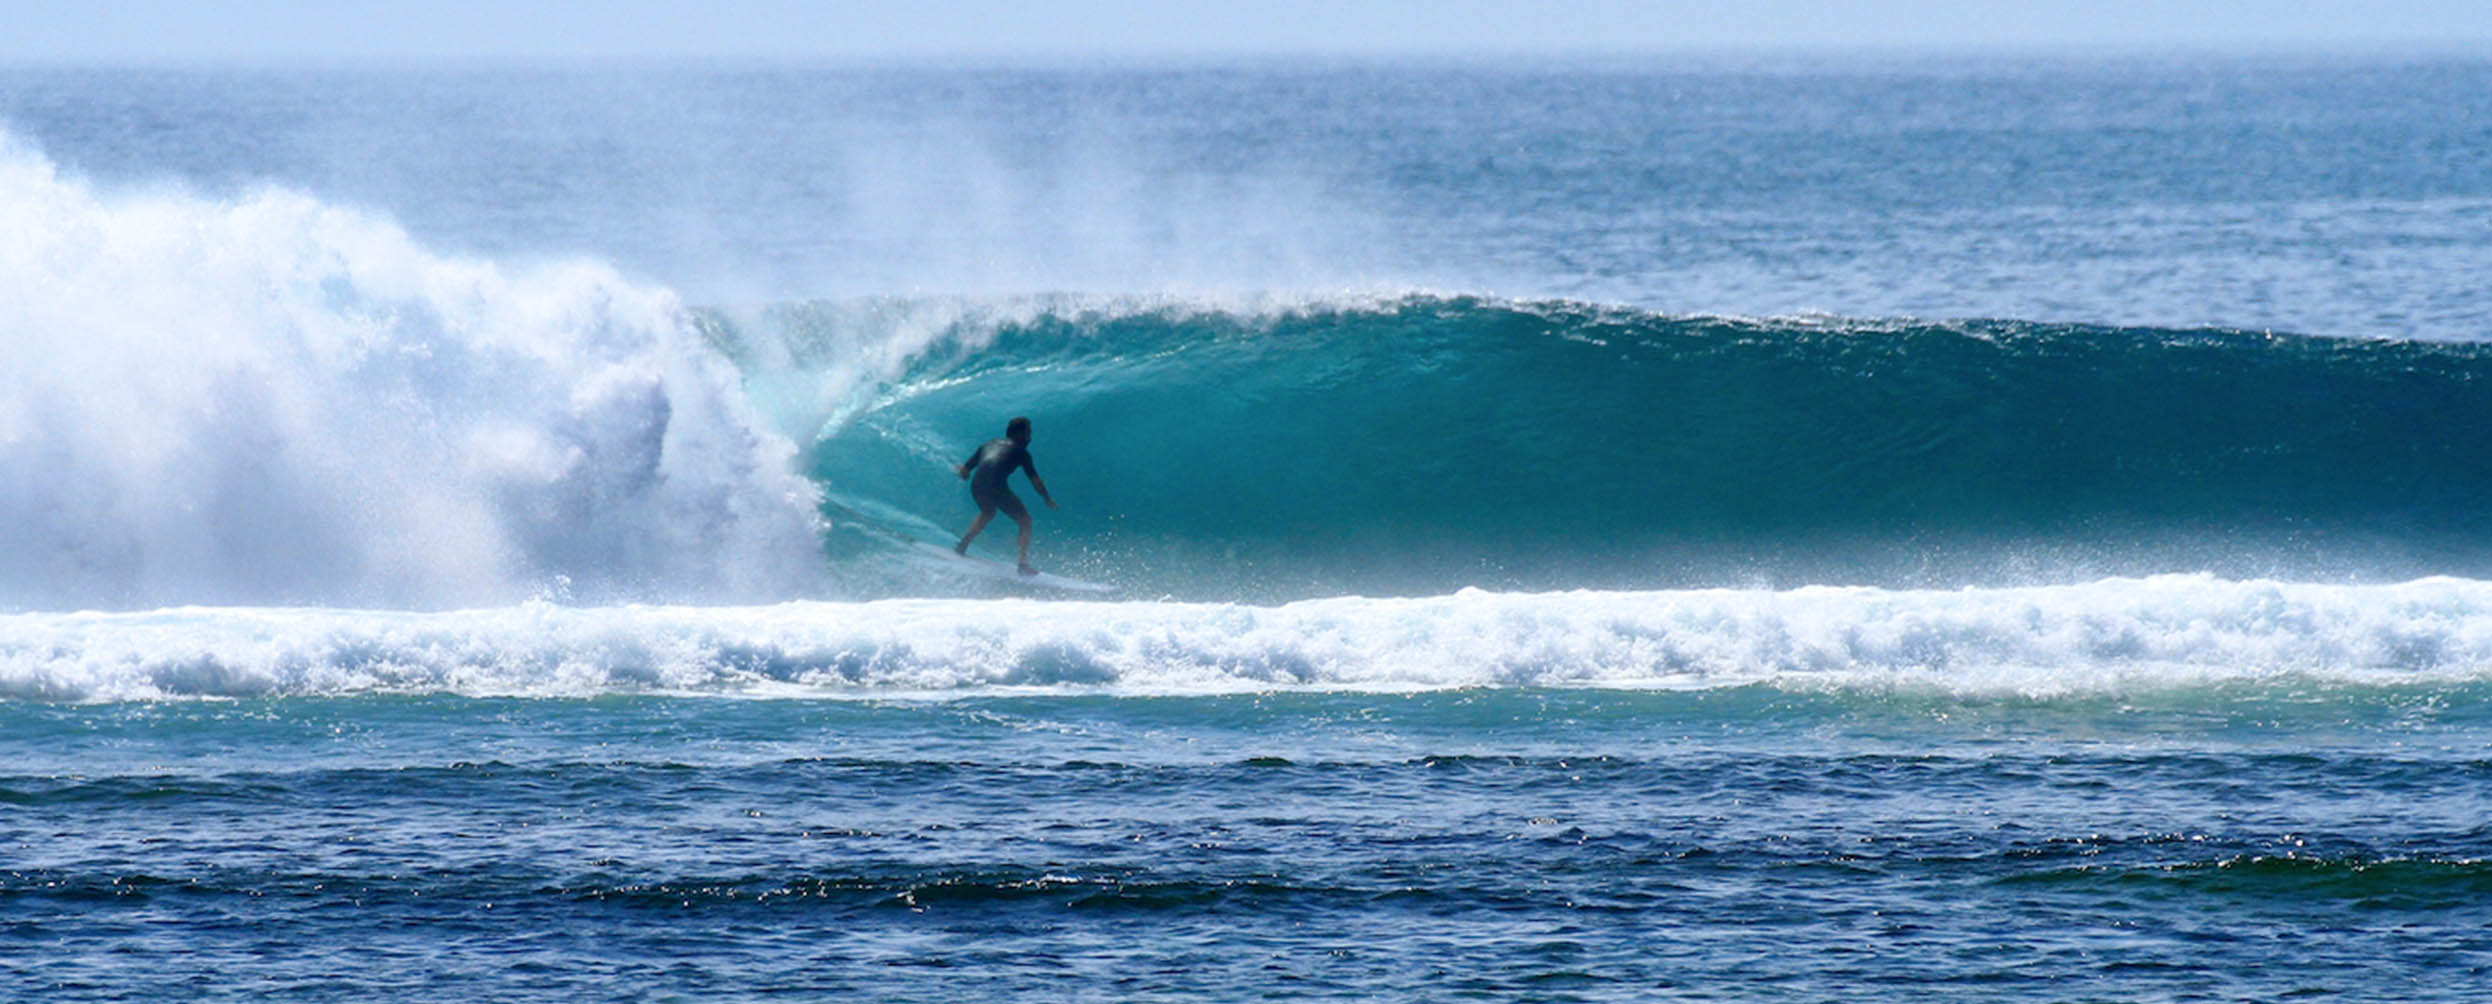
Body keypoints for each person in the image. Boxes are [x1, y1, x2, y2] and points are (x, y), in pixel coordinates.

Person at [954, 416, 1056, 574]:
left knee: (988, 513)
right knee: (1025, 521)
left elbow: (965, 471)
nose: (1030, 437)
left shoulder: (988, 444)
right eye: (1028, 433)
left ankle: (963, 544)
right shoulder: (1022, 453)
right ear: (1019, 434)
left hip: (977, 485)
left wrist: (962, 473)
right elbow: (1035, 481)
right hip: (996, 486)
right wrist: (1047, 498)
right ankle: (1022, 564)